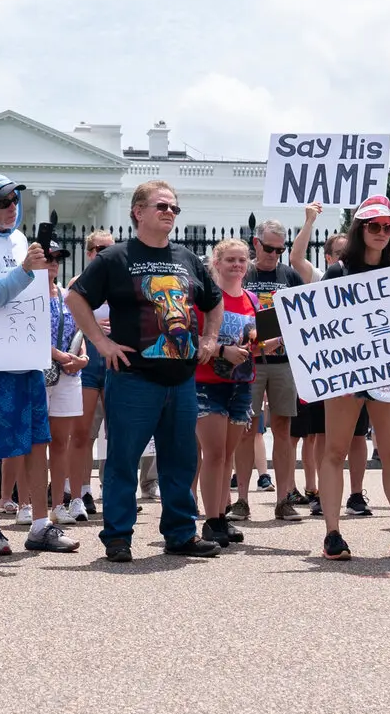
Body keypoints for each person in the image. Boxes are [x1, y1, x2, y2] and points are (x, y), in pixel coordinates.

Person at [68, 180, 221, 561]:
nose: (169, 212)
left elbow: (213, 301)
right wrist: (101, 344)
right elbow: (75, 297)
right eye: (161, 206)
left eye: (174, 208)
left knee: (181, 460)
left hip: (182, 380)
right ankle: (118, 537)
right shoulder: (115, 258)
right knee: (122, 460)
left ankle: (181, 534)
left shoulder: (187, 258)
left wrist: (211, 338)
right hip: (134, 379)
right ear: (138, 212)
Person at [0, 172, 77, 554]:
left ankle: (41, 523)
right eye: (1, 202)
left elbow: (36, 296)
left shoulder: (22, 240)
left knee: (36, 441)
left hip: (27, 354)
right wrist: (25, 269)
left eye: (13, 201)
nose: (11, 209)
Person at [314, 197, 390, 560]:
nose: (382, 232)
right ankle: (332, 534)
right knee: (335, 451)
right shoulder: (338, 272)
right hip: (345, 373)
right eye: (374, 226)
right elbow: (322, 326)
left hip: (387, 376)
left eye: (388, 227)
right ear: (360, 229)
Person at [244, 210, 321, 521]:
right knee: (246, 430)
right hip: (249, 362)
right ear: (256, 243)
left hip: (283, 362)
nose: (275, 255)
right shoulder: (243, 273)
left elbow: (303, 319)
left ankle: (284, 498)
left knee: (284, 430)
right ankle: (240, 500)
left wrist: (281, 340)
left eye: (280, 249)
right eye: (269, 248)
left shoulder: (289, 276)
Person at [193, 239, 258, 547]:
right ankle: (211, 521)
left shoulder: (253, 300)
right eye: (230, 259)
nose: (237, 265)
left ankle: (221, 514)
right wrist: (222, 351)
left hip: (241, 385)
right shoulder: (205, 298)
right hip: (206, 383)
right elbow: (190, 338)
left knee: (227, 455)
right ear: (216, 263)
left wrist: (275, 339)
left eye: (242, 260)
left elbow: (258, 345)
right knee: (214, 454)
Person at [67, 229, 118, 522]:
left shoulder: (121, 284)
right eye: (99, 249)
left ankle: (111, 491)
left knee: (117, 434)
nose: (104, 254)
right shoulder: (78, 283)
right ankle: (81, 491)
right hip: (88, 360)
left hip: (114, 362)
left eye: (109, 249)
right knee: (83, 433)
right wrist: (94, 330)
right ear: (89, 253)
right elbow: (69, 322)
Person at [43, 263, 88, 516]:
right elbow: (30, 335)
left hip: (69, 374)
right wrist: (61, 356)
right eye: (47, 256)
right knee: (36, 442)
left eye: (57, 257)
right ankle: (28, 504)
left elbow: (80, 331)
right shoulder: (27, 294)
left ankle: (59, 504)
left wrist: (83, 358)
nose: (52, 261)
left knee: (61, 441)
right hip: (38, 373)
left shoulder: (66, 295)